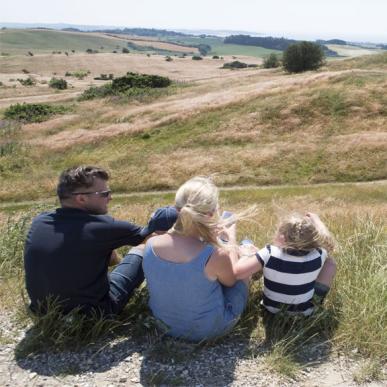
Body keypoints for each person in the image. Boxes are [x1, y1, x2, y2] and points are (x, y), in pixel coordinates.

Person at [24, 165, 177, 316]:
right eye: (104, 193)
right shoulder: (102, 228)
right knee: (144, 247)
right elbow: (149, 235)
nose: (111, 197)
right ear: (81, 198)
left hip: (43, 312)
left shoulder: (40, 221)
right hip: (94, 315)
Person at [142, 176, 249, 341]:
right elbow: (231, 281)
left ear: (176, 209)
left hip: (164, 325)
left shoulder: (150, 244)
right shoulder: (214, 254)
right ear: (212, 214)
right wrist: (229, 242)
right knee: (244, 268)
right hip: (207, 331)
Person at [234, 212, 337, 316]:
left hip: (272, 309)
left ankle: (256, 267)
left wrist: (246, 253)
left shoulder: (269, 253)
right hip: (305, 311)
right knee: (330, 263)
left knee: (254, 254)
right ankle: (316, 300)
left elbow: (238, 273)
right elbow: (328, 242)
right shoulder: (319, 254)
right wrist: (318, 221)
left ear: (282, 238)